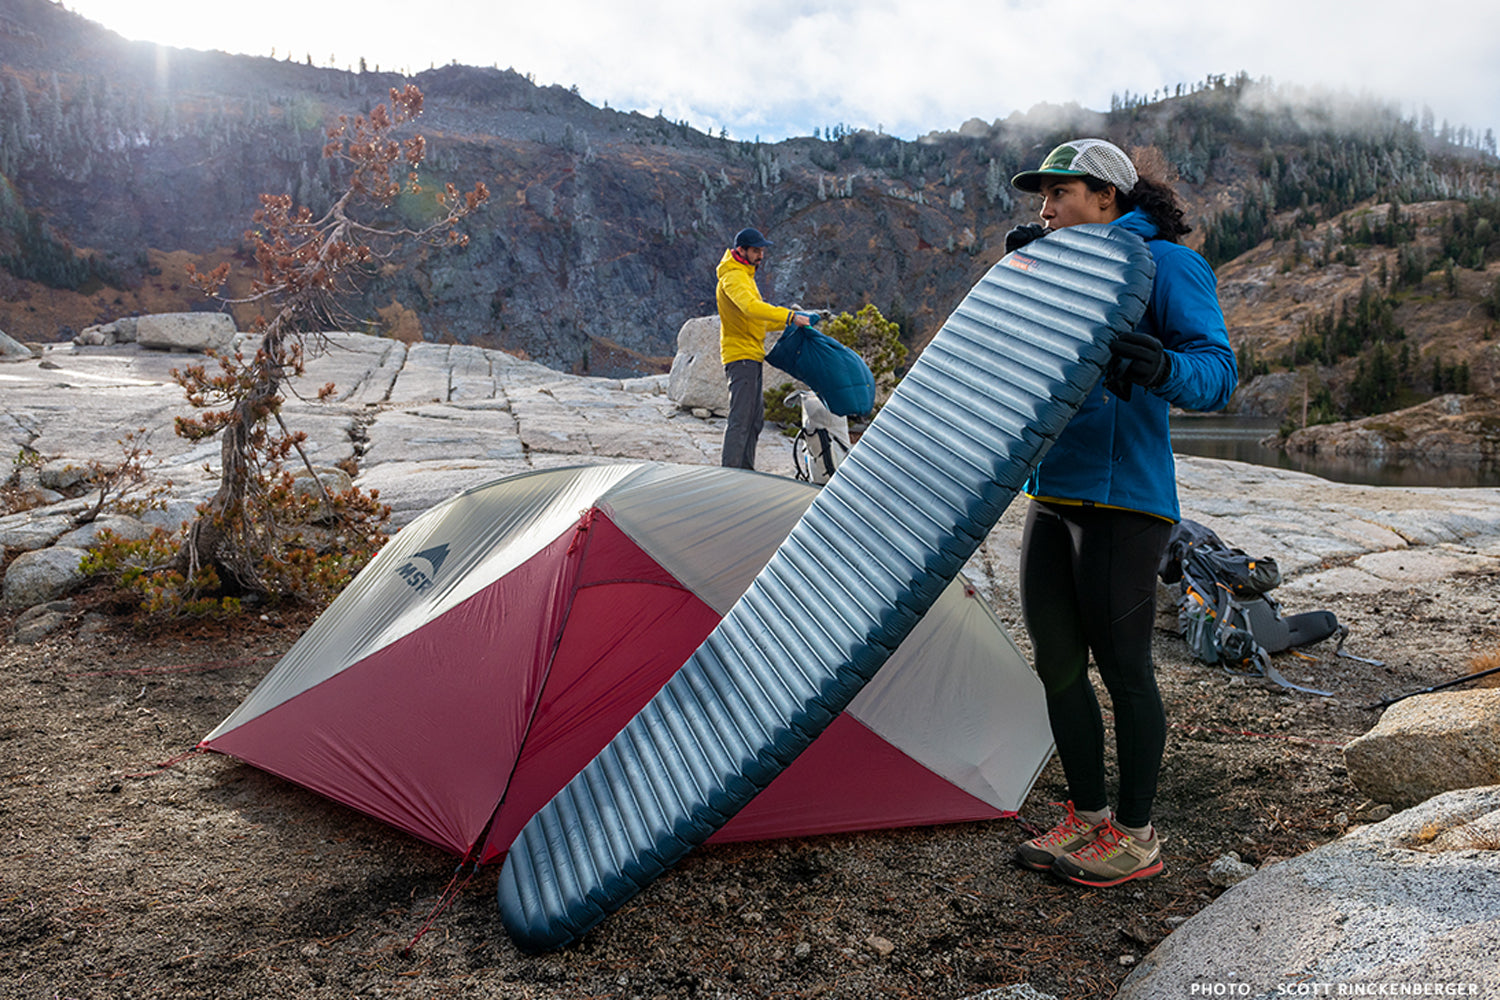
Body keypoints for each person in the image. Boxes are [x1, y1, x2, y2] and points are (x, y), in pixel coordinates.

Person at [1004, 139, 1239, 887]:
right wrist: (1023, 285)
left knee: (1125, 669)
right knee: (1058, 665)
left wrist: (1166, 367)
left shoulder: (1167, 265)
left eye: (1060, 193)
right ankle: (1087, 817)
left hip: (1126, 499)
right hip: (1054, 494)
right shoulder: (1056, 267)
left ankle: (1136, 835)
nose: (1044, 208)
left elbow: (1218, 372)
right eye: (1039, 196)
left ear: (1107, 197)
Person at [715, 227, 814, 469]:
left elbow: (757, 319)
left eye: (762, 250)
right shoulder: (734, 277)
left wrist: (792, 320)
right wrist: (789, 316)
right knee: (741, 419)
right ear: (741, 251)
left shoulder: (745, 276)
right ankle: (730, 476)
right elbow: (750, 308)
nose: (761, 255)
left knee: (754, 419)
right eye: (756, 250)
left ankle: (745, 472)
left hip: (751, 354)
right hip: (741, 356)